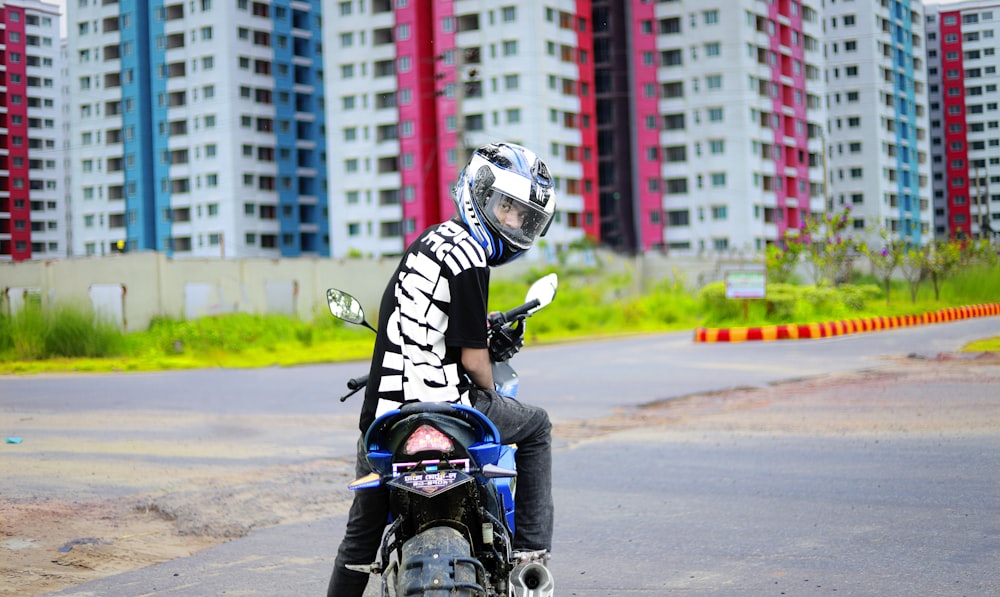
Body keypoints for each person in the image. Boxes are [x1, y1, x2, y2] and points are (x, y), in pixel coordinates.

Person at [327, 142, 558, 596]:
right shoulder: (470, 255)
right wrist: (492, 394)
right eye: (505, 207)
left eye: (522, 215)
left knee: (360, 539)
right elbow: (474, 360)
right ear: (479, 193)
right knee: (538, 428)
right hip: (446, 405)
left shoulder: (431, 242)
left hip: (385, 415)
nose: (511, 222)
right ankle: (532, 561)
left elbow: (421, 325)